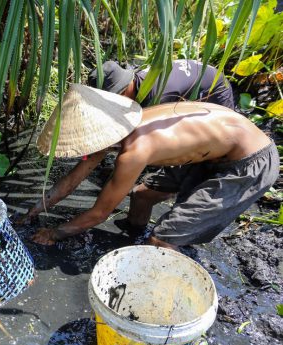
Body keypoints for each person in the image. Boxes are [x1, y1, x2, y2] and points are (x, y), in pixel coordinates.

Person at [22, 84, 277, 250]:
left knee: (163, 237)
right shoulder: (121, 123)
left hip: (249, 163)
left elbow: (99, 213)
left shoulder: (135, 152)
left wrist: (55, 233)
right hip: (214, 150)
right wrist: (34, 211)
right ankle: (134, 239)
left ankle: (164, 295)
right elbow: (73, 178)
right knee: (141, 195)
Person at [88, 59, 234, 109]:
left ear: (125, 87)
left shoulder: (157, 96)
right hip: (191, 78)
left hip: (214, 85)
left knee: (225, 135)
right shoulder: (139, 81)